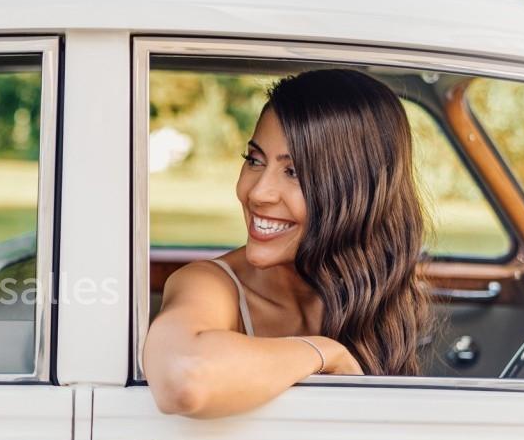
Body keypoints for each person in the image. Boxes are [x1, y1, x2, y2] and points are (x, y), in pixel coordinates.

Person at [144, 68, 428, 418]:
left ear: (358, 191)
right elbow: (184, 378)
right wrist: (323, 352)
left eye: (293, 172)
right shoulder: (210, 284)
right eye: (254, 160)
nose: (258, 193)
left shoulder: (378, 289)